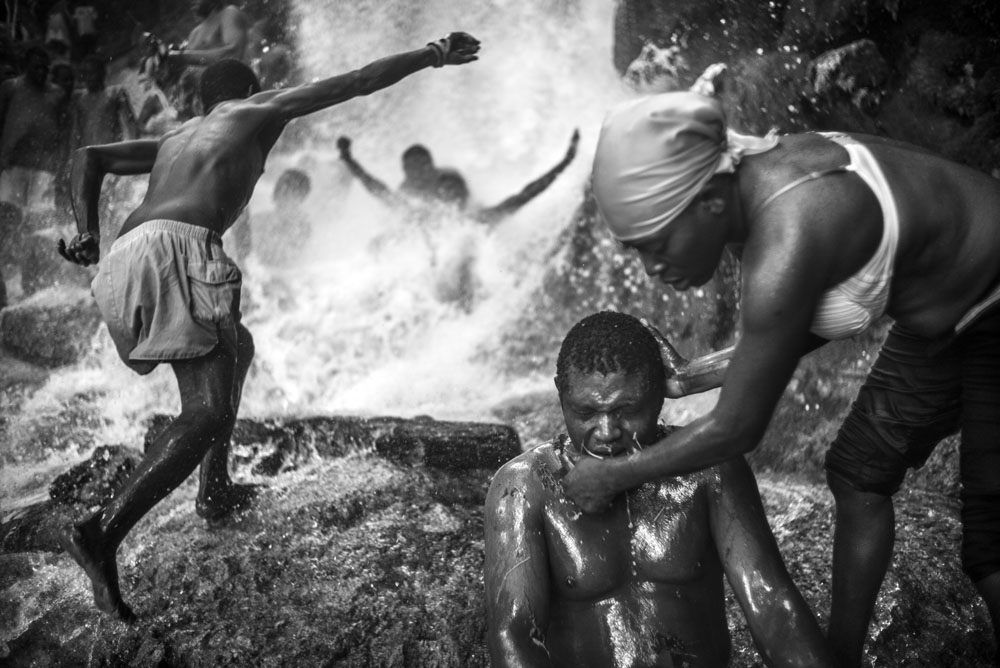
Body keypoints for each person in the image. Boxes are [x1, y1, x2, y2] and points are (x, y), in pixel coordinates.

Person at [562, 90, 1000, 666]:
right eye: (638, 251)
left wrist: (615, 476)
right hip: (946, 313)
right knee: (859, 472)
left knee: (990, 540)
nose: (654, 268)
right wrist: (689, 377)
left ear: (709, 203)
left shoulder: (790, 228)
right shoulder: (754, 186)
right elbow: (796, 326)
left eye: (658, 244)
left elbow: (736, 430)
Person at [55, 32, 481, 623]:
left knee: (239, 344)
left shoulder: (177, 138)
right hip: (177, 247)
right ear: (251, 94)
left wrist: (85, 233)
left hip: (125, 254)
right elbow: (356, 80)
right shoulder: (255, 111)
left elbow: (88, 158)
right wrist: (432, 54)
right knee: (202, 412)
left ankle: (215, 488)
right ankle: (100, 531)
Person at [485, 310, 834, 668]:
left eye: (626, 410)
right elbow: (514, 635)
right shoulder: (524, 485)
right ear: (561, 394)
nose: (606, 431)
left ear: (660, 394)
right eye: (586, 412)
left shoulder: (710, 470)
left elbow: (772, 604)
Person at [336, 129, 580, 226]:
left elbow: (525, 194)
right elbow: (375, 187)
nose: (417, 177)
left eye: (421, 171)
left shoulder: (477, 221)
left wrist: (564, 162)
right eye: (412, 174)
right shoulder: (413, 214)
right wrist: (348, 159)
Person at [0, 47, 64, 211]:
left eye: (44, 67)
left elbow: (65, 130)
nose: (41, 71)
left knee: (39, 218)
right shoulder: (10, 87)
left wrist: (62, 165)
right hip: (13, 165)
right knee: (7, 214)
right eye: (36, 67)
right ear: (25, 66)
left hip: (45, 167)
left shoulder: (57, 93)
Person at [250, 167, 312, 266]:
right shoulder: (259, 219)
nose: (280, 193)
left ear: (300, 197)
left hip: (285, 276)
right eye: (279, 188)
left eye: (287, 190)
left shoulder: (302, 226)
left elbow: (291, 258)